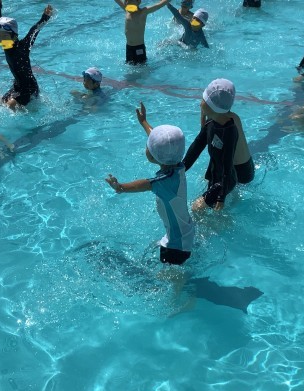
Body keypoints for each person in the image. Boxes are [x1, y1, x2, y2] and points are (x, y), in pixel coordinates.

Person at [106, 103, 194, 265]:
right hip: (185, 232)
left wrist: (121, 187)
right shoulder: (177, 165)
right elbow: (161, 142)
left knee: (170, 277)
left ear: (153, 156)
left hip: (176, 246)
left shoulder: (165, 181)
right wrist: (144, 122)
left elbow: (144, 184)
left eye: (148, 145)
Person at [183, 78, 254, 212]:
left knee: (200, 208)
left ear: (210, 106)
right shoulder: (222, 118)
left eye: (203, 99)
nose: (200, 102)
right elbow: (199, 144)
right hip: (235, 168)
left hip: (238, 172)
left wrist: (221, 196)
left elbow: (227, 161)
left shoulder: (230, 129)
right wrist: (181, 168)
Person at [0, 0, 53, 110]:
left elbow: (34, 31)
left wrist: (45, 17)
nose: (1, 39)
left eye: (4, 36)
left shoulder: (23, 47)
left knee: (10, 105)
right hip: (17, 86)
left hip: (29, 88)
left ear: (14, 35)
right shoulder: (6, 45)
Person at [113, 0, 171, 65]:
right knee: (129, 66)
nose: (127, 3)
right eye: (126, 1)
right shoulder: (127, 10)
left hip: (139, 48)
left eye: (130, 1)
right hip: (129, 48)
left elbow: (158, 5)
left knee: (142, 67)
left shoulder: (143, 12)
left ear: (139, 2)